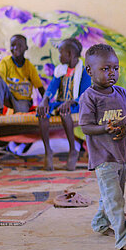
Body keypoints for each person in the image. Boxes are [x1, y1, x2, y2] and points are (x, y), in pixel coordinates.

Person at [78, 44, 126, 250]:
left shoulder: (121, 93)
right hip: (102, 158)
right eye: (105, 69)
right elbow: (85, 127)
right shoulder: (89, 97)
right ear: (90, 71)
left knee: (114, 195)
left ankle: (100, 222)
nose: (111, 73)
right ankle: (123, 237)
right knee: (115, 199)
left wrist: (125, 129)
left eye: (115, 68)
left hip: (120, 155)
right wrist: (104, 128)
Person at [37, 38, 91, 171]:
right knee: (42, 112)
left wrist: (71, 101)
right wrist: (45, 99)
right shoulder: (60, 70)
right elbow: (51, 88)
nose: (59, 56)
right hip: (61, 103)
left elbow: (84, 94)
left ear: (71, 54)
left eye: (61, 53)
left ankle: (73, 150)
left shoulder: (84, 72)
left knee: (64, 112)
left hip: (76, 104)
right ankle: (48, 151)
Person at [0, 34, 45, 114]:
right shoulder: (6, 62)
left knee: (20, 116)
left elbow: (40, 87)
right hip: (9, 97)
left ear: (26, 48)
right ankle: (0, 111)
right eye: (13, 45)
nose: (15, 48)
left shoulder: (29, 66)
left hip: (23, 100)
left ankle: (18, 112)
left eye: (19, 45)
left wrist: (46, 102)